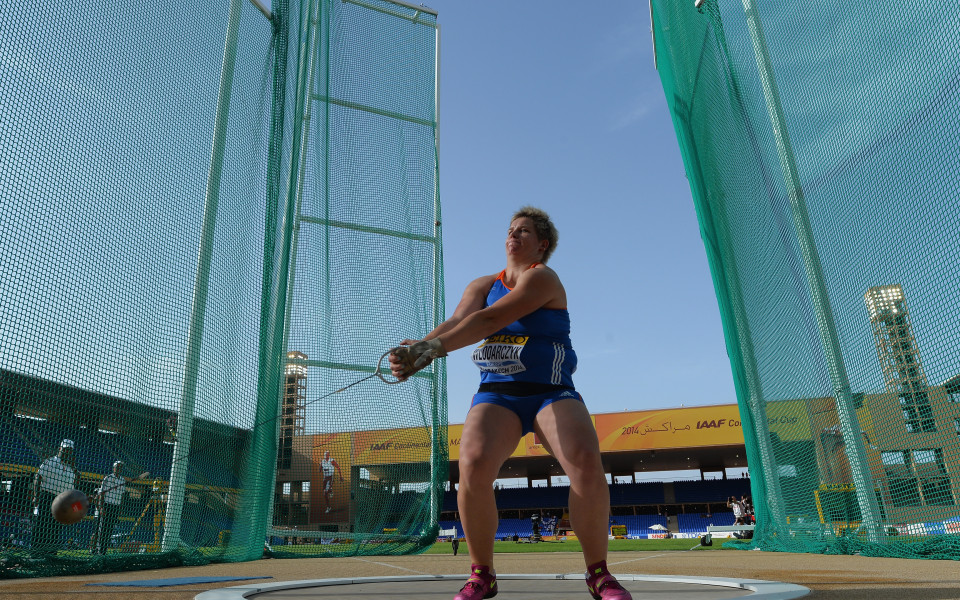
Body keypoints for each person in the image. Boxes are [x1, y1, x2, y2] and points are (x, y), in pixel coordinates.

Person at [391, 207, 632, 600]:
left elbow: (489, 321)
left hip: (551, 390)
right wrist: (418, 347)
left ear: (542, 244)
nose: (513, 236)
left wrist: (430, 350)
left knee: (585, 460)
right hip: (498, 392)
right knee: (471, 463)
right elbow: (458, 322)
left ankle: (599, 574)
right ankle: (481, 575)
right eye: (510, 230)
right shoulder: (483, 284)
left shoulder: (543, 278)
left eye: (524, 231)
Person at [31, 439, 79, 555]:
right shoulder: (50, 462)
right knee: (42, 525)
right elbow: (38, 478)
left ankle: (51, 553)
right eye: (65, 449)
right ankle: (36, 552)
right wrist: (36, 496)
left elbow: (75, 483)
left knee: (56, 528)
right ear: (60, 449)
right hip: (47, 496)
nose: (67, 452)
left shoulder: (71, 468)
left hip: (62, 500)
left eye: (70, 450)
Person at [92, 461, 129, 555]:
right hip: (107, 506)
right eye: (118, 467)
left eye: (121, 467)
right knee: (102, 530)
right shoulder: (107, 478)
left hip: (115, 508)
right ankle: (99, 551)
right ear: (114, 468)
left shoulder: (122, 480)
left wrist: (120, 509)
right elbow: (102, 494)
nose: (119, 469)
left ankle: (103, 551)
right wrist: (101, 508)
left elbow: (122, 496)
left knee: (109, 530)